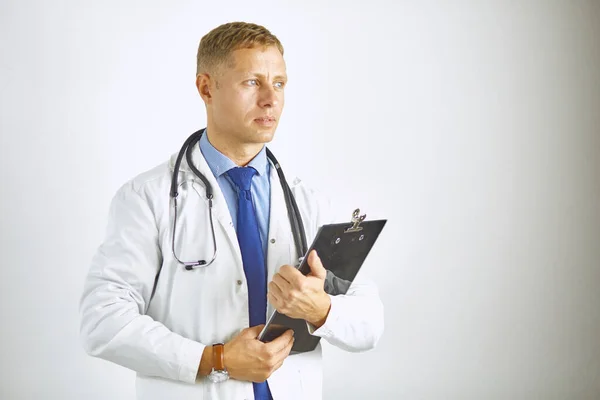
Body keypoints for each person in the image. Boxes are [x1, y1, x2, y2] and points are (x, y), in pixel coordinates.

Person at [79, 21, 384, 400]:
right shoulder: (147, 198)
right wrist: (215, 359)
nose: (270, 100)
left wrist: (321, 310)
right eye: (252, 83)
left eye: (279, 83)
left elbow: (370, 325)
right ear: (207, 88)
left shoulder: (308, 202)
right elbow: (103, 321)